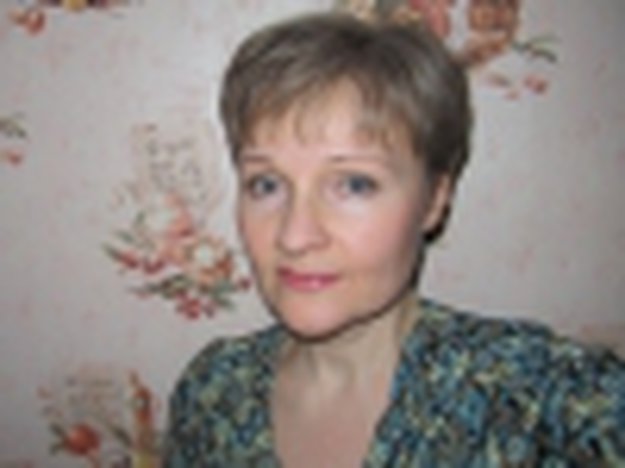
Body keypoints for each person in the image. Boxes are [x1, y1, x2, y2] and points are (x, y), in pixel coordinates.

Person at [164, 11, 625, 467]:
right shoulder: (211, 394)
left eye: (354, 184)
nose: (295, 236)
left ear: (434, 201)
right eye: (266, 184)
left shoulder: (534, 399)